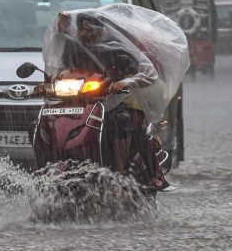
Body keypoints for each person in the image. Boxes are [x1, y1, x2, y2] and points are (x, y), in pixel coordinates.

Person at [64, 12, 171, 190]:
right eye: (82, 29)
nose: (85, 34)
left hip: (120, 98)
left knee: (124, 121)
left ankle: (135, 172)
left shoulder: (116, 47)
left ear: (101, 30)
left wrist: (123, 82)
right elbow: (62, 70)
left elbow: (143, 72)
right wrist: (45, 85)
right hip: (82, 100)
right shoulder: (73, 47)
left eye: (89, 29)